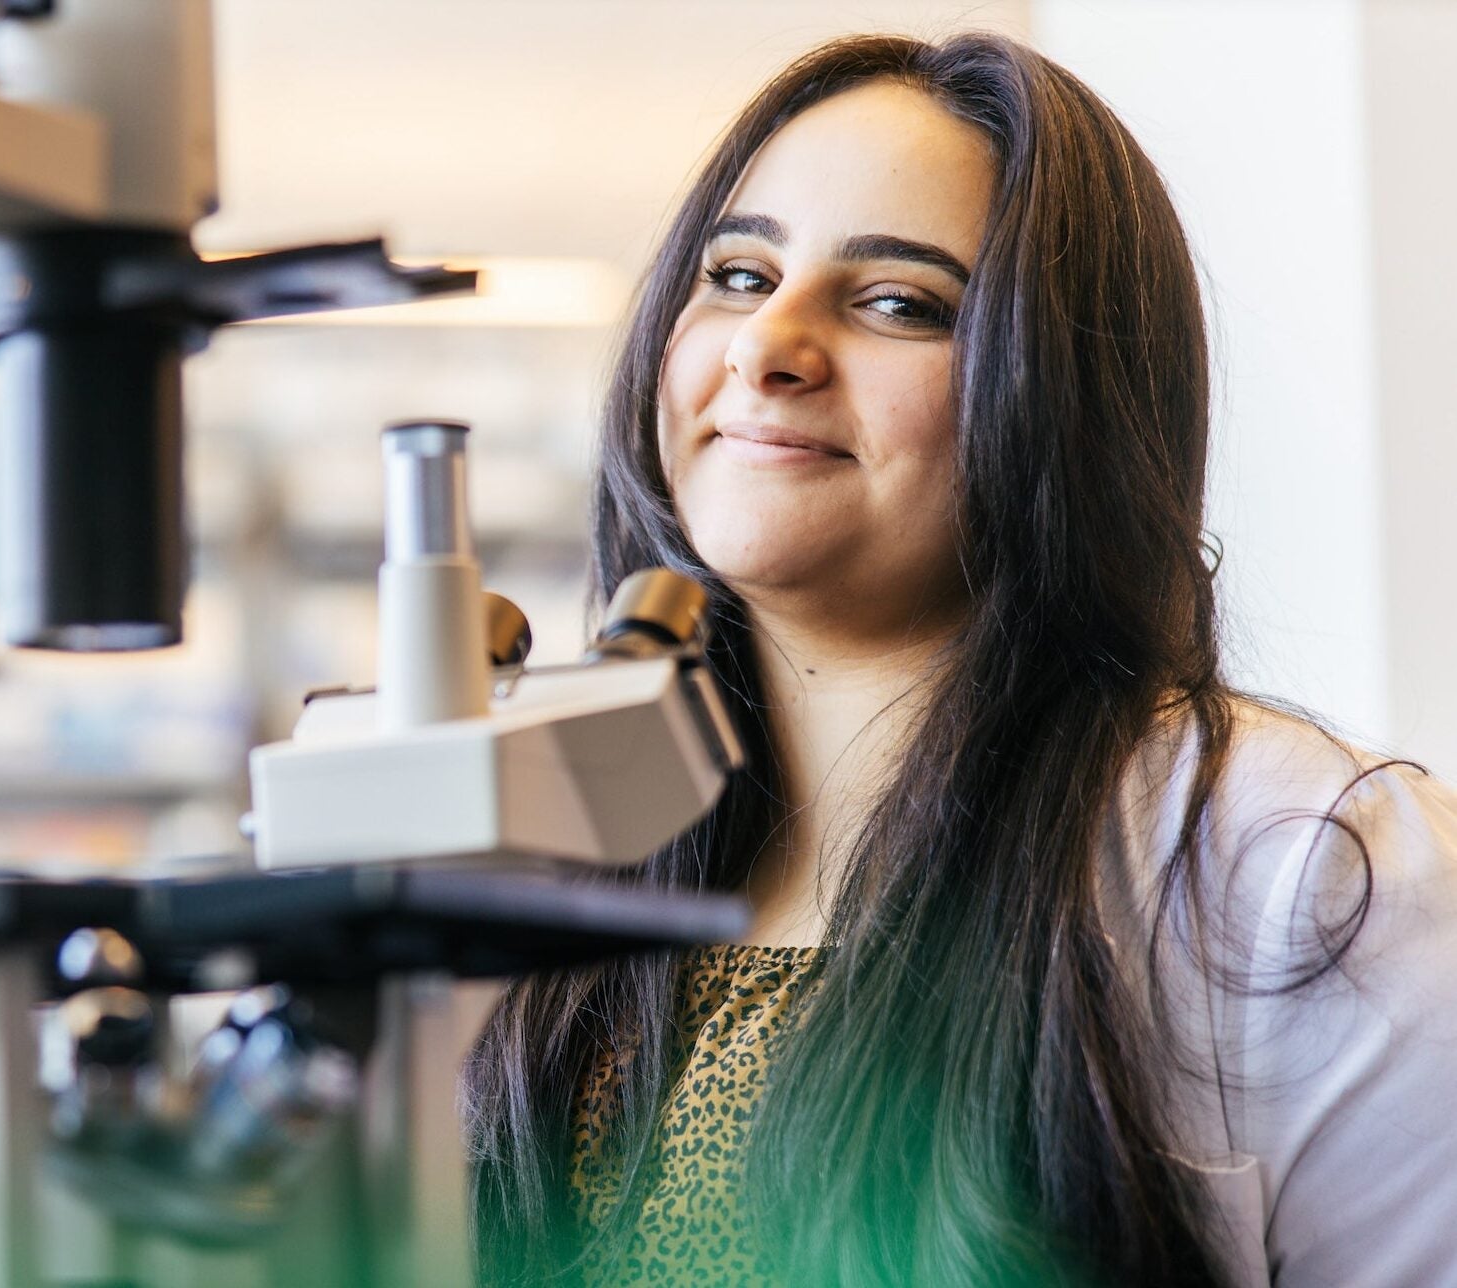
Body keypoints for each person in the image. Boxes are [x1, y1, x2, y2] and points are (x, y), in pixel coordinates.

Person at [463, 30, 1457, 1288]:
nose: (767, 347)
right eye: (736, 272)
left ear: (1063, 393)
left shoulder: (1313, 870)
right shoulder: (541, 855)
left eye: (899, 304)